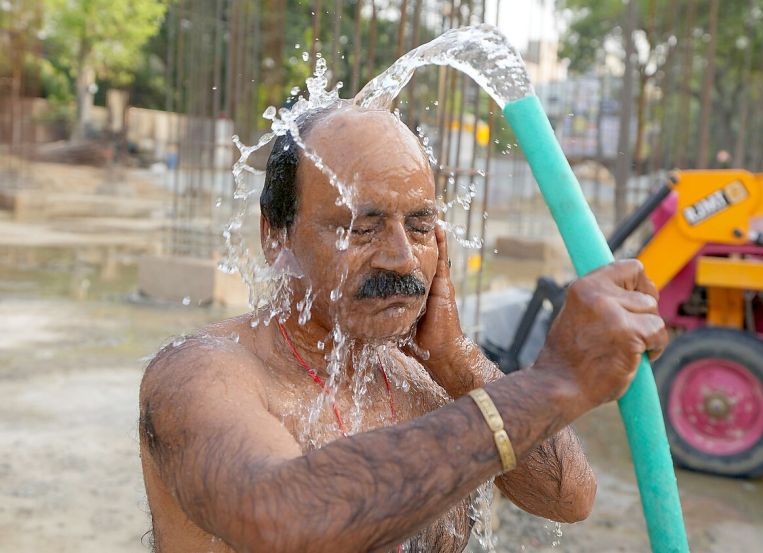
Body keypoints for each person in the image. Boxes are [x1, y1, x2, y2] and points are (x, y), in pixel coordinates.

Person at [138, 104, 668, 552]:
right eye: (360, 228)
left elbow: (568, 499)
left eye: (419, 228)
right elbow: (282, 515)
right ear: (276, 238)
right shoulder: (204, 375)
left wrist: (458, 359)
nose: (400, 258)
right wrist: (553, 384)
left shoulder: (430, 380)